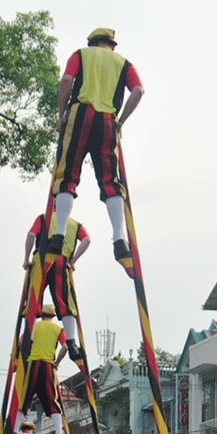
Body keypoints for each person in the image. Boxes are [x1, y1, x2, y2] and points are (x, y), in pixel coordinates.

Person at [49, 27, 144, 271]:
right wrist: (121, 121)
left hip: (79, 114)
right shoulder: (124, 63)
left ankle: (59, 234)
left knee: (67, 174)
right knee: (110, 181)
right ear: (111, 45)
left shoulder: (80, 54)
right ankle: (119, 238)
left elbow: (67, 81)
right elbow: (138, 90)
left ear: (92, 43)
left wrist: (61, 116)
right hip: (107, 122)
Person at [23, 213, 91, 359]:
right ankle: (71, 342)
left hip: (41, 258)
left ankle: (29, 339)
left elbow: (31, 235)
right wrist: (73, 260)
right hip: (62, 261)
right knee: (65, 301)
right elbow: (87, 240)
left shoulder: (43, 217)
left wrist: (26, 258)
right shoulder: (75, 224)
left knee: (34, 298)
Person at [15, 305, 68, 434]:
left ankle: (14, 431)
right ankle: (59, 433)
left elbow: (20, 342)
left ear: (41, 314)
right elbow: (66, 347)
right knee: (53, 400)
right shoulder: (58, 329)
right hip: (48, 366)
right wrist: (57, 362)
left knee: (25, 398)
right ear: (53, 316)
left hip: (33, 365)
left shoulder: (34, 326)